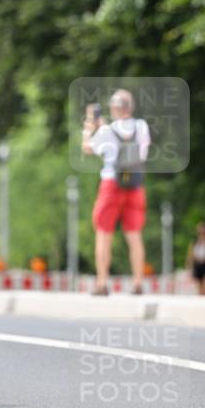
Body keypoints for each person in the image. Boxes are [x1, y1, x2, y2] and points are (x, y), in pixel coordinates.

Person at [82, 89, 151, 295]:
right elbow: (143, 152)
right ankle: (138, 283)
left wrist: (89, 127)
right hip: (135, 184)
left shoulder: (106, 131)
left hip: (112, 184)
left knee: (104, 234)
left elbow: (88, 148)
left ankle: (102, 283)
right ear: (130, 107)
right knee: (134, 235)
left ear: (114, 108)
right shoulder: (141, 126)